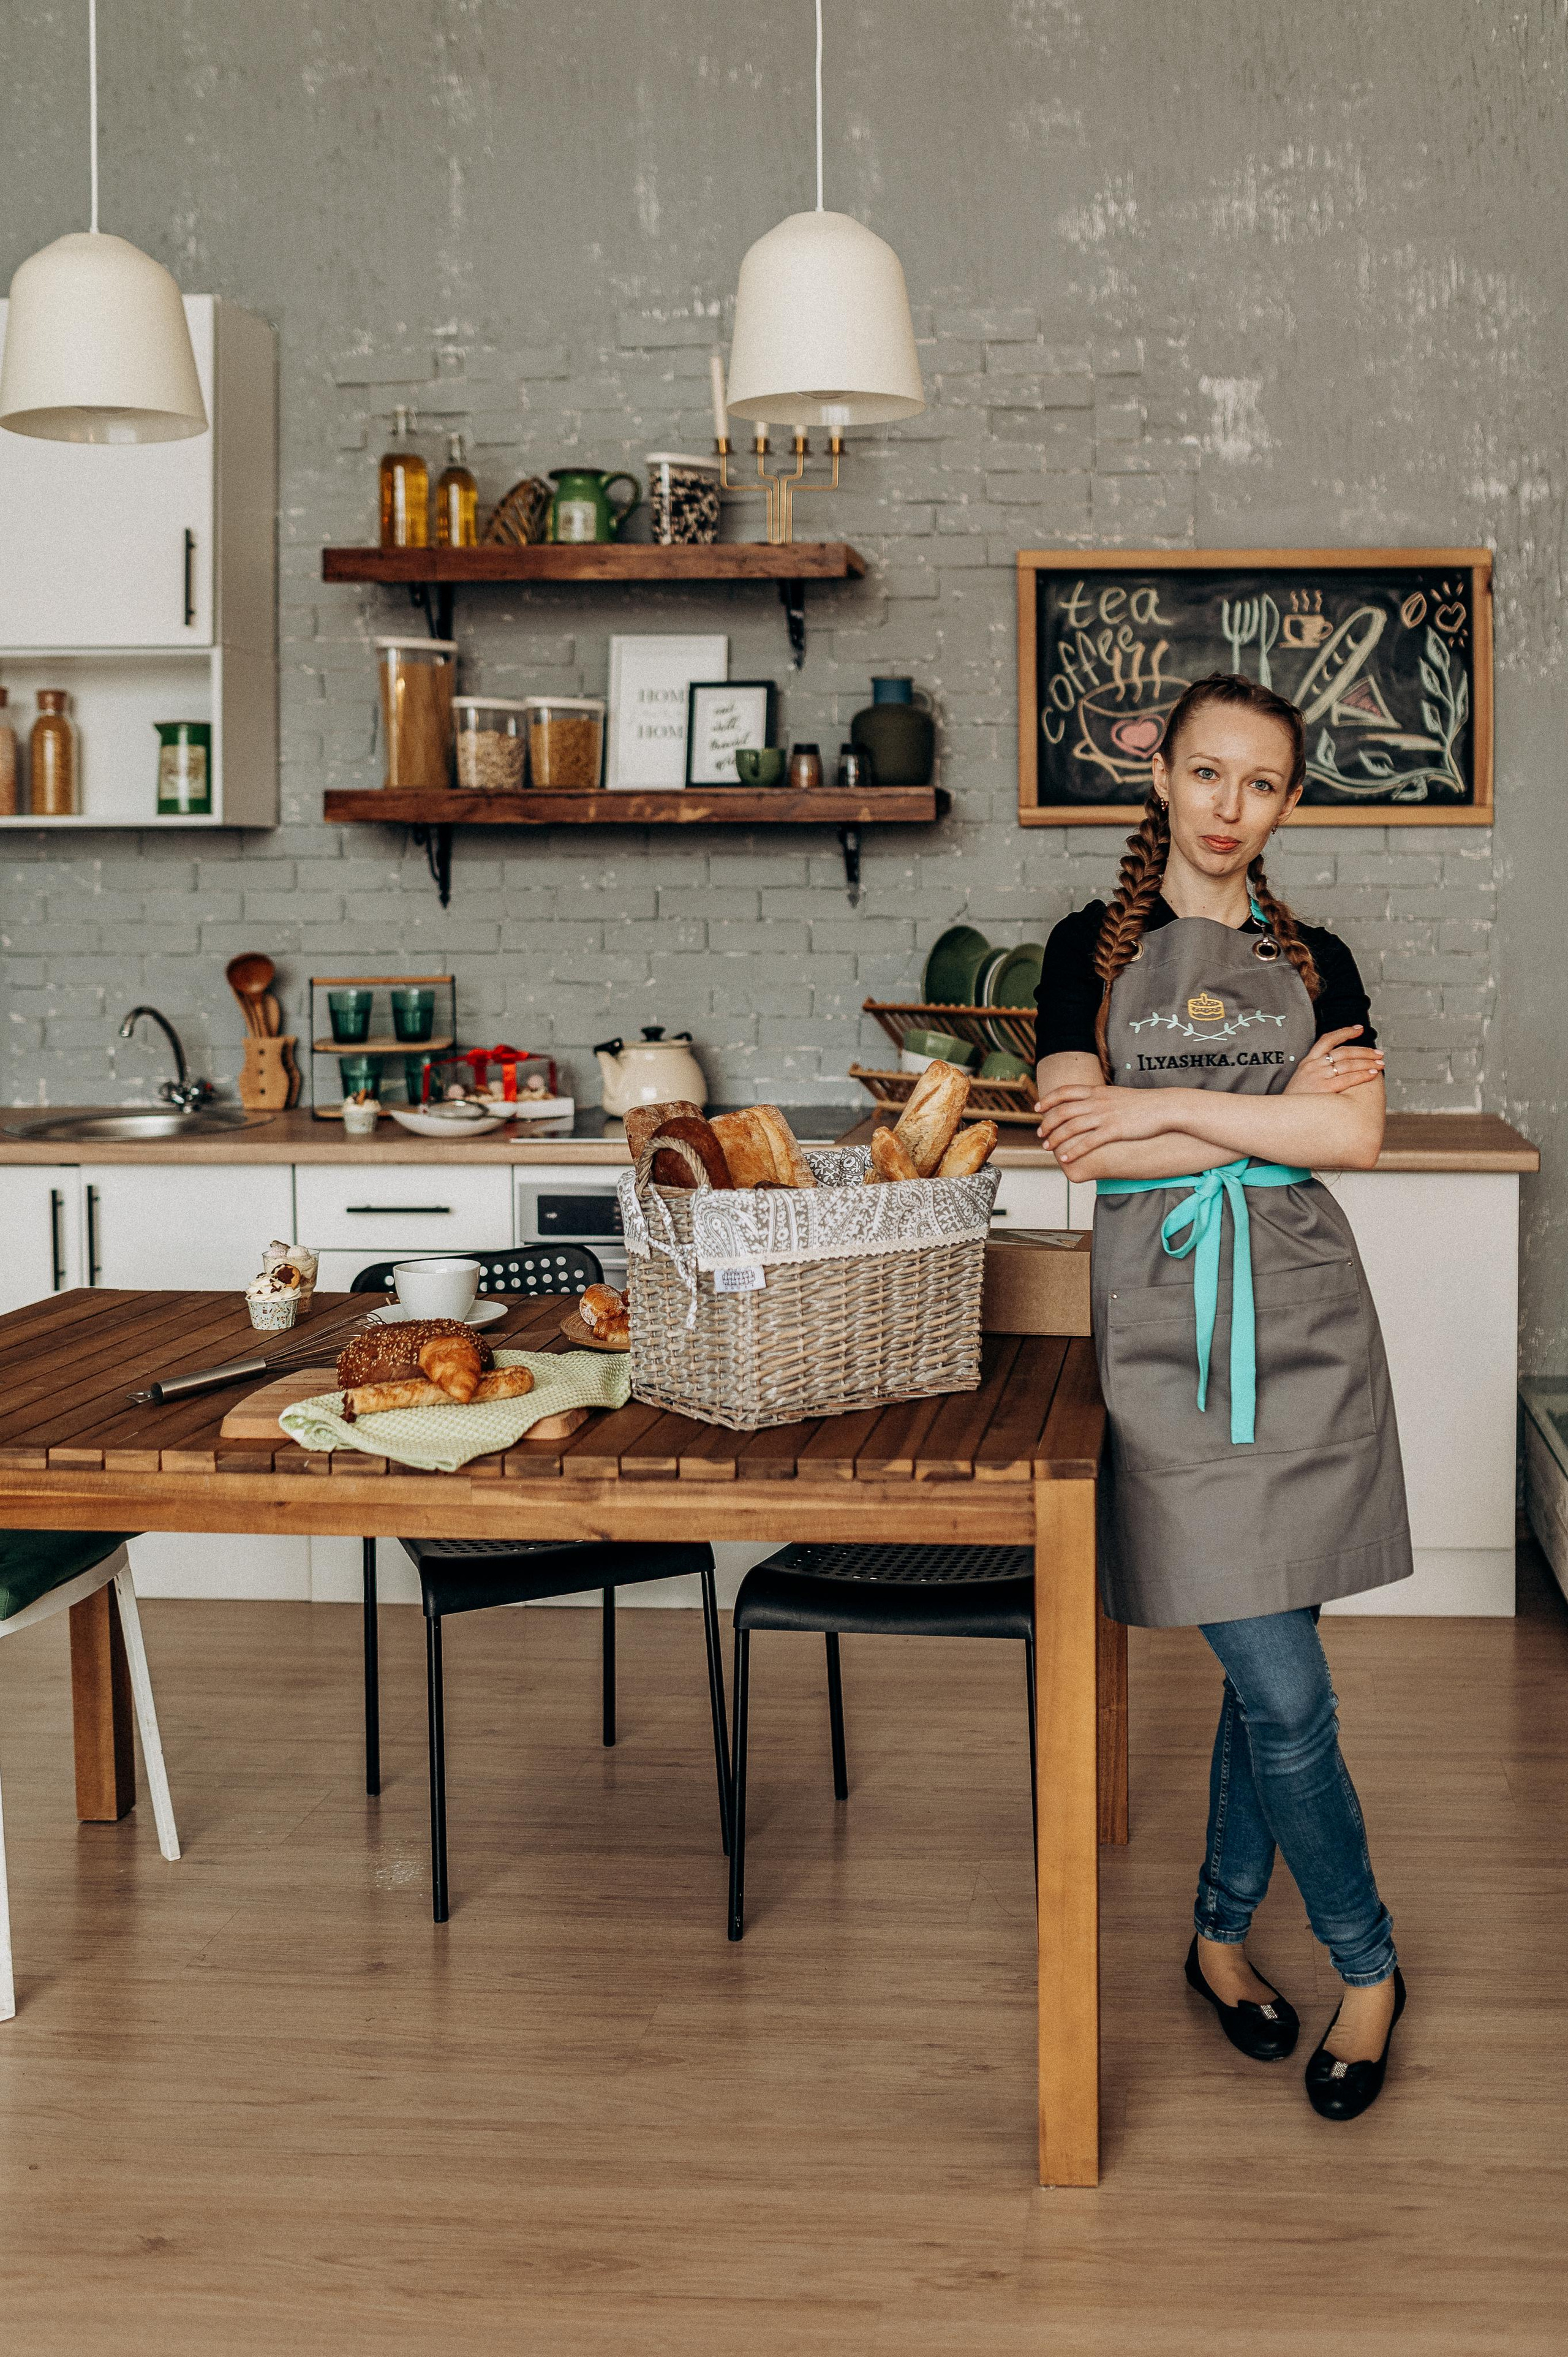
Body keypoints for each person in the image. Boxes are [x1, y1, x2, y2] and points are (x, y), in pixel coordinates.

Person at [1033, 672, 1409, 2123]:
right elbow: (1078, 1144)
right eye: (1206, 774)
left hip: (1307, 1323)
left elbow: (1356, 1136)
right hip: (1168, 1343)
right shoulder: (1084, 944)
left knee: (1269, 1674)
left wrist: (1161, 1105)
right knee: (1282, 1686)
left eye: (1259, 783)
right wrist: (1256, 1116)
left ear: (1285, 803)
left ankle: (1212, 1932)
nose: (1228, 805)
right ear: (1164, 782)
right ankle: (1365, 1963)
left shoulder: (1320, 958)